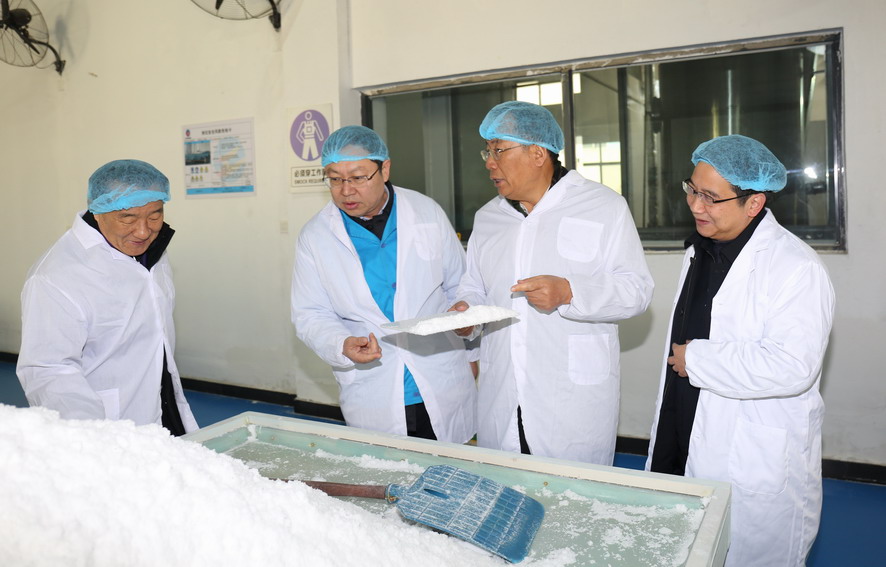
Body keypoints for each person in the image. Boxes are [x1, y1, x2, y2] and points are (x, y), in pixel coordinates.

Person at [645, 135, 835, 566]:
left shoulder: (796, 268)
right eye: (692, 189)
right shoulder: (700, 250)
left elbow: (793, 366)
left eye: (711, 197)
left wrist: (696, 360)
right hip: (685, 422)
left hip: (749, 451)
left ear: (754, 203)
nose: (695, 206)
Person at [453, 101, 653, 465]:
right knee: (502, 482)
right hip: (503, 390)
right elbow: (474, 286)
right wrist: (467, 313)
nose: (489, 163)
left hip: (571, 400)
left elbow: (636, 290)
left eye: (498, 151)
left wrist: (570, 292)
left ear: (537, 153)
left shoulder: (602, 205)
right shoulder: (488, 218)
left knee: (572, 491)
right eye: (487, 152)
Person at [291, 125, 476, 442]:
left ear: (385, 169)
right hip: (374, 387)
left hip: (440, 375)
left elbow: (461, 285)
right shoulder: (315, 235)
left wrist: (470, 339)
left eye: (358, 177)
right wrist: (341, 344)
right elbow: (310, 313)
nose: (346, 190)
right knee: (388, 468)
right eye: (334, 179)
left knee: (454, 464)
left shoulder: (426, 212)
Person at [17, 159, 197, 435]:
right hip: (108, 425)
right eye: (128, 218)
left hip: (164, 404)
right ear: (98, 211)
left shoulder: (150, 252)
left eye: (155, 215)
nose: (143, 231)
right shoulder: (56, 277)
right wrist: (93, 436)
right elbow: (49, 370)